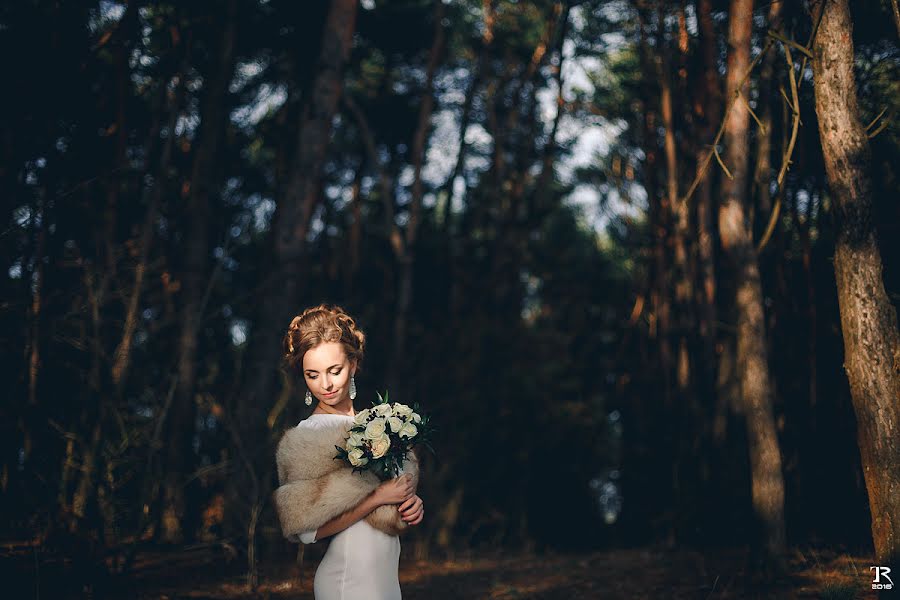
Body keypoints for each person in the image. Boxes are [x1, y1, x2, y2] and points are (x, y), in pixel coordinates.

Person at [273, 304, 424, 600]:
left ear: (353, 364)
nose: (325, 384)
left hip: (385, 581)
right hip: (345, 583)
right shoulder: (306, 436)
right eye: (312, 375)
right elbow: (306, 532)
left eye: (335, 370)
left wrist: (411, 504)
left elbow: (391, 502)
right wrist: (377, 498)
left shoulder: (379, 427)